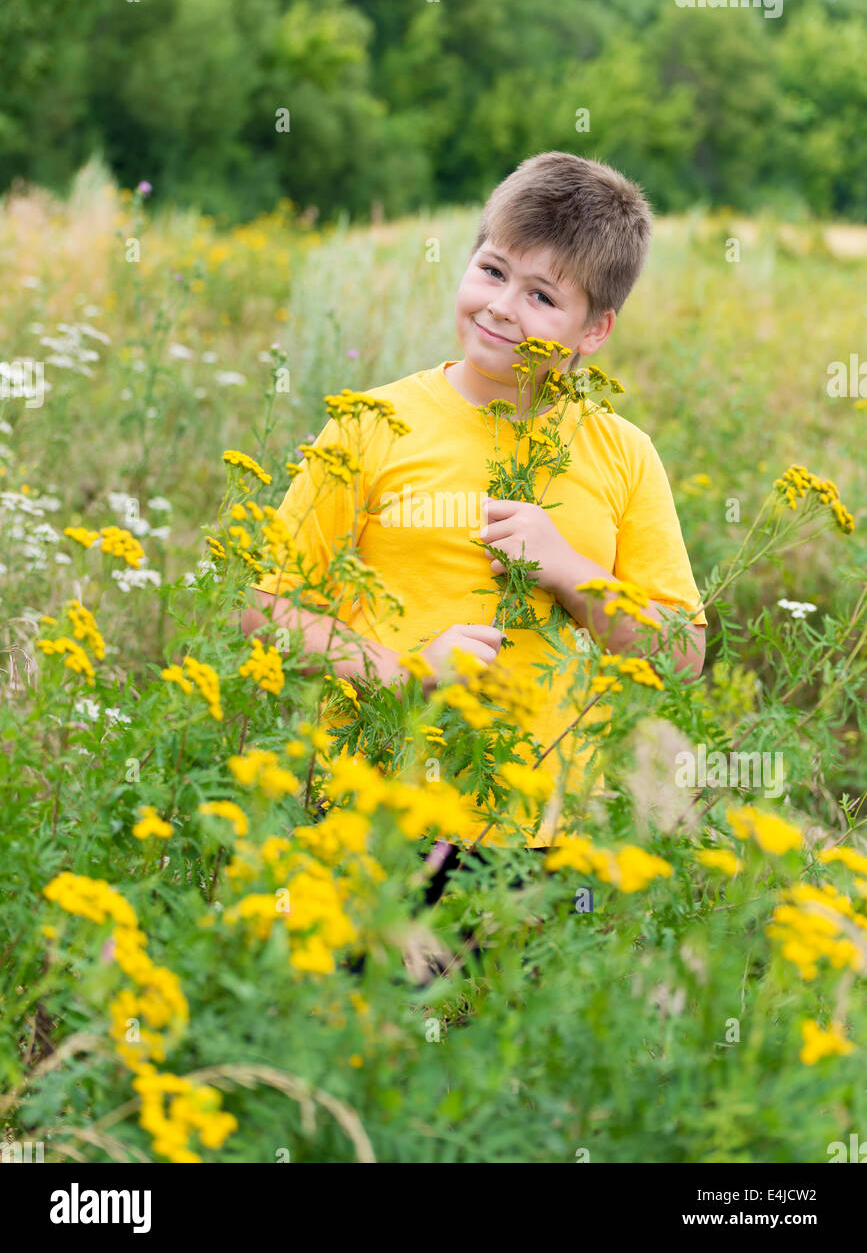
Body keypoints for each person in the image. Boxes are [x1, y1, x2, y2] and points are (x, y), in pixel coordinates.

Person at [241, 151, 707, 855]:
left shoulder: (623, 453)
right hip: (377, 820)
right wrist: (401, 673)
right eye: (491, 270)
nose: (499, 306)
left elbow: (682, 656)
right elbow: (262, 607)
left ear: (594, 331)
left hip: (547, 839)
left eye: (541, 297)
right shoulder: (369, 424)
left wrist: (566, 570)